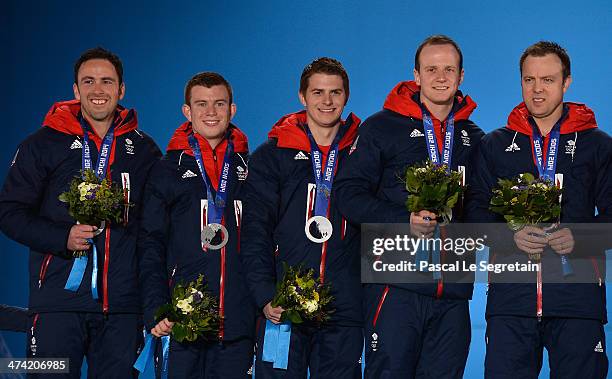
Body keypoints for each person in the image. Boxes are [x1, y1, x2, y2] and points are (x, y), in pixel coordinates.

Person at [0, 47, 161, 378]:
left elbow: (155, 228)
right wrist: (63, 237)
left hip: (122, 310)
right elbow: (9, 212)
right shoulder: (42, 144)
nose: (97, 90)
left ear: (121, 89)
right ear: (75, 89)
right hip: (57, 306)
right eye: (88, 81)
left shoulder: (144, 150)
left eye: (107, 81)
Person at [334, 35, 484, 378]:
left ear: (461, 76)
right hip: (394, 289)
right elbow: (348, 194)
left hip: (453, 294)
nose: (441, 76)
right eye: (431, 69)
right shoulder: (382, 127)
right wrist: (404, 221)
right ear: (415, 75)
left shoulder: (474, 137)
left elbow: (478, 205)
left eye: (449, 69)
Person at [466, 41, 611, 378]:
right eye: (529, 80)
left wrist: (580, 237)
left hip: (578, 303)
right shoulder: (495, 145)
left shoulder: (598, 145)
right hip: (510, 304)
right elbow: (474, 215)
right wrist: (509, 238)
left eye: (547, 80)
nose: (537, 89)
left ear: (566, 82)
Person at [241, 57, 362, 378]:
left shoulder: (362, 153)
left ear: (346, 97)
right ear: (302, 96)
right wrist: (266, 295)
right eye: (318, 92)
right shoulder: (272, 155)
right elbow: (255, 232)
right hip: (284, 305)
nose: (327, 101)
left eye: (335, 93)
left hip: (344, 307)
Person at [137, 72, 255, 378]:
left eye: (219, 103)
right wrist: (156, 307)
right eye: (201, 104)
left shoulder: (250, 170)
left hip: (238, 325)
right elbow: (151, 243)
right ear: (187, 111)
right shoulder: (166, 170)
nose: (211, 112)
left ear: (233, 109)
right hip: (182, 321)